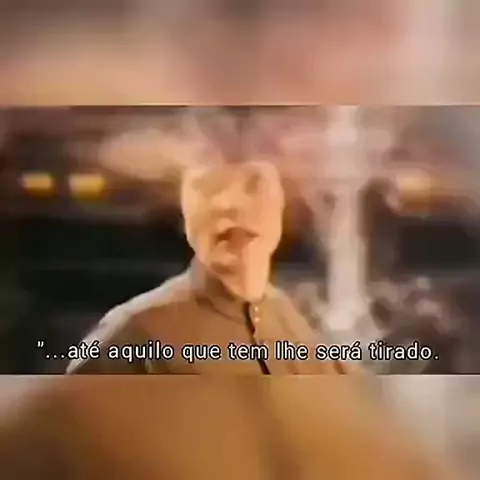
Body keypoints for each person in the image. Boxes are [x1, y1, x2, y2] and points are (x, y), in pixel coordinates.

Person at [67, 158, 348, 374]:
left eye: (254, 184)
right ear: (185, 210)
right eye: (210, 186)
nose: (230, 205)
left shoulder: (301, 328)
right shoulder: (135, 334)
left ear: (281, 205)